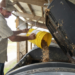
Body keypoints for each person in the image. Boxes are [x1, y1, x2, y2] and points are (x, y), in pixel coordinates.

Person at [0, 0, 35, 75]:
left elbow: (9, 32)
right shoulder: (1, 21)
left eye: (11, 12)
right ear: (0, 9)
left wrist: (22, 31)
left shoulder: (2, 19)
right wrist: (29, 38)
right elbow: (13, 38)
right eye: (8, 12)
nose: (10, 14)